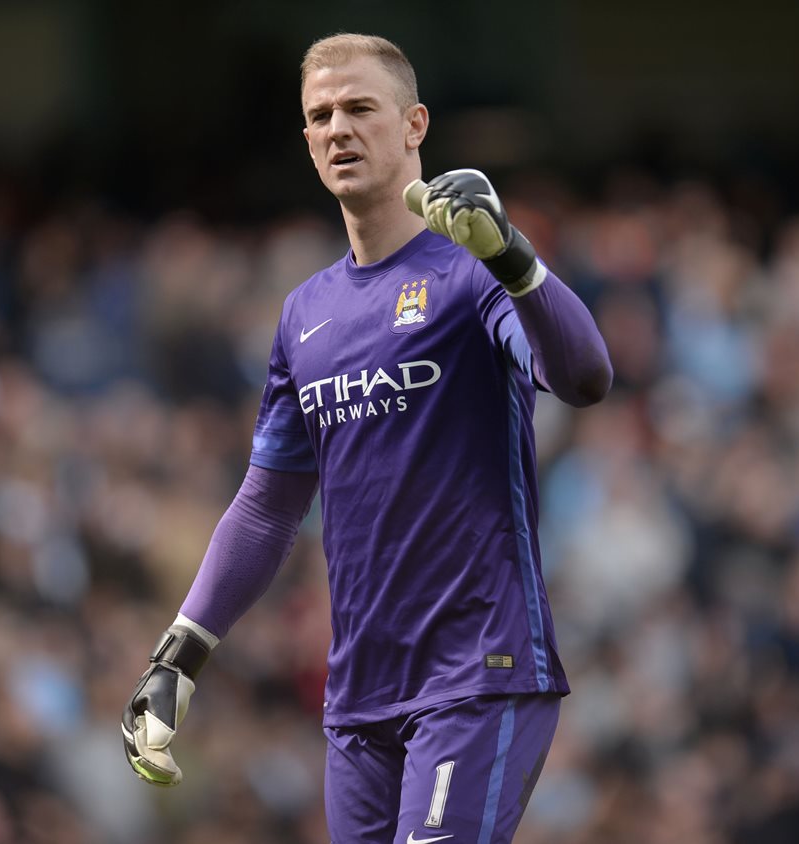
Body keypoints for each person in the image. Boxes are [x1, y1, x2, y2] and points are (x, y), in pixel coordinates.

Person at [122, 32, 612, 843]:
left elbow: (585, 377)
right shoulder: (304, 312)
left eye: (359, 108)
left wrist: (516, 260)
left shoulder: (472, 269)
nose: (339, 128)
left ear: (415, 124)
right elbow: (267, 507)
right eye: (320, 116)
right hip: (360, 698)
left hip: (478, 673)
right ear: (307, 142)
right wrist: (180, 652)